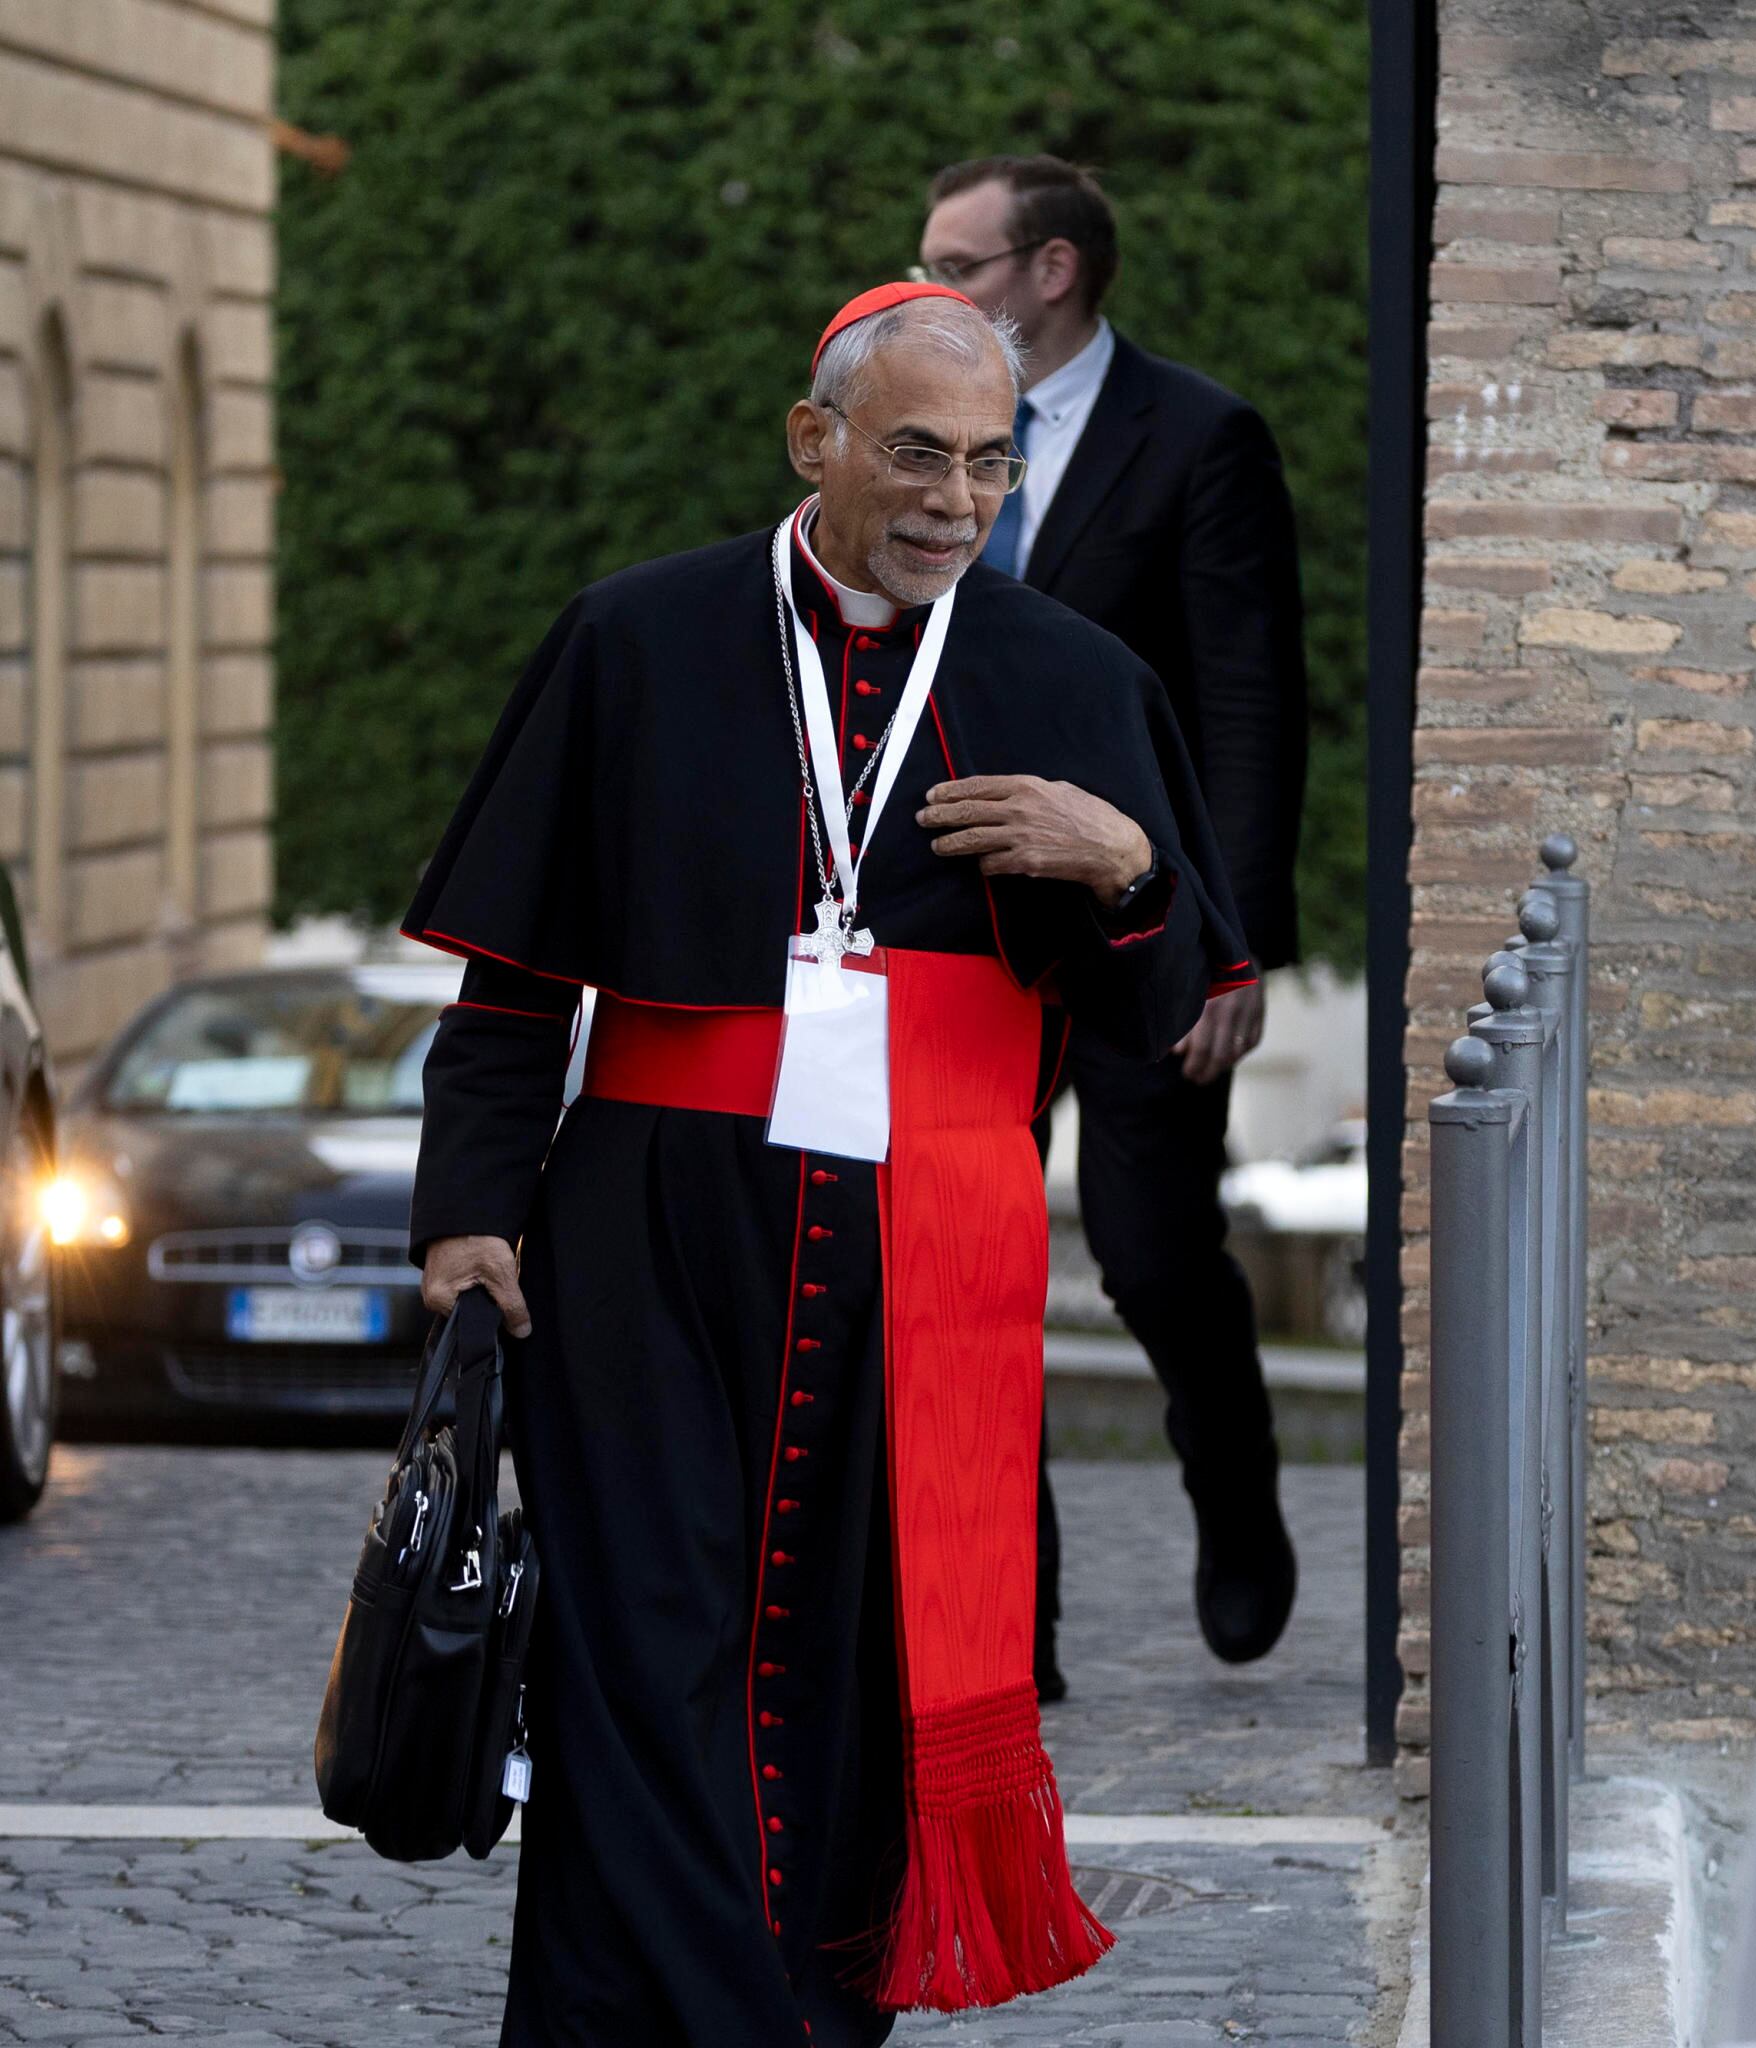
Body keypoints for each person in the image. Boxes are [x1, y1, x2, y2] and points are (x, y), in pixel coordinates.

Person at [405, 281, 1255, 2043]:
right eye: (919, 456)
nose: (957, 502)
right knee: (639, 1660)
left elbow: (1157, 1016)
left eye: (991, 466)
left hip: (930, 1239)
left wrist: (1129, 874)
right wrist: (472, 1214)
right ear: (819, 444)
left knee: (868, 1677)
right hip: (648, 1232)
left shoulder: (1074, 679)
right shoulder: (635, 642)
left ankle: (814, 2015)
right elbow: (514, 984)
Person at [918, 154, 1308, 1695]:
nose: (928, 282)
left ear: (1052, 270)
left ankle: (1239, 1495)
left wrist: (1233, 938)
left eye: (959, 261)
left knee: (1151, 1255)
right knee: (972, 1267)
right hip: (962, 929)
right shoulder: (918, 435)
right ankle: (1016, 1619)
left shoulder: (1200, 439)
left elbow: (1248, 704)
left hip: (1141, 921)